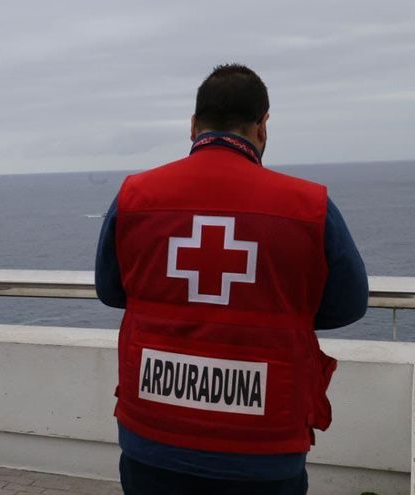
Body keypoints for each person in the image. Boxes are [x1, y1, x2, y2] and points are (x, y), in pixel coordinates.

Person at [95, 64, 368, 494]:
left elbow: (111, 291)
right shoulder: (309, 205)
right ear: (262, 126)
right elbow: (349, 305)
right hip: (263, 441)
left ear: (193, 126)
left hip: (153, 432)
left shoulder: (134, 195)